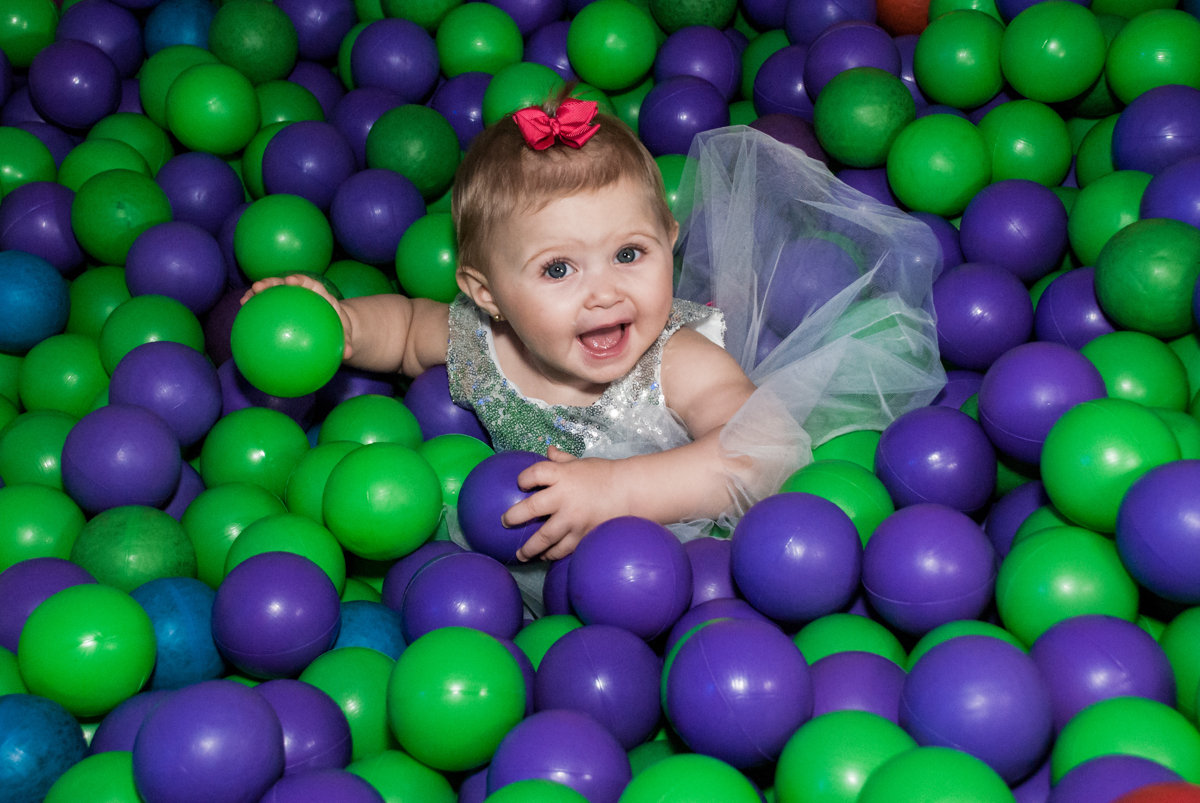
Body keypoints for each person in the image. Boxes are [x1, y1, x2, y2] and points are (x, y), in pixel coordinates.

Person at [244, 88, 945, 568]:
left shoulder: (679, 359)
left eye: (631, 254)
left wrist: (616, 491)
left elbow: (758, 451)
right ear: (487, 295)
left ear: (670, 239)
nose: (605, 291)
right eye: (557, 271)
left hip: (677, 552)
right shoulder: (482, 346)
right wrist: (339, 324)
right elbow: (402, 331)